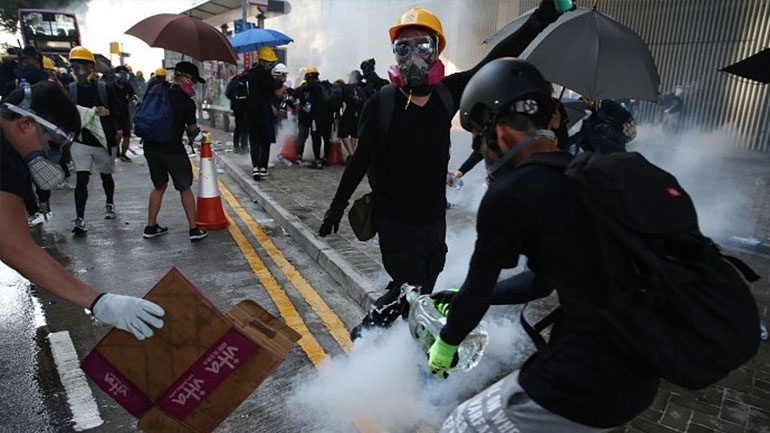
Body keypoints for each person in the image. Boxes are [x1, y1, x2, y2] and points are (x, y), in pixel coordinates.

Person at [428, 58, 658, 433]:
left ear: (498, 135)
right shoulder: (585, 171)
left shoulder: (512, 192)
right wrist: (462, 297)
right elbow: (539, 282)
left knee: (460, 426)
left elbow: (479, 288)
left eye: (478, 139)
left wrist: (448, 342)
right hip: (641, 373)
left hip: (585, 376)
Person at [319, 2, 567, 339]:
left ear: (436, 51)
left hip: (433, 215)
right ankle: (368, 333)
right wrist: (338, 204)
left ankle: (398, 332)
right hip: (394, 217)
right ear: (394, 54)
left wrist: (541, 19)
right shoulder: (382, 102)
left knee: (427, 279)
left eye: (423, 46)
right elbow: (360, 159)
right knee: (409, 285)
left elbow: (494, 61)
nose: (413, 57)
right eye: (403, 48)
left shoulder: (447, 94)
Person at [0, 81, 166, 341]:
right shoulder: (5, 159)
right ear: (25, 124)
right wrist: (98, 301)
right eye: (52, 144)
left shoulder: (9, 150)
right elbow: (14, 247)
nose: (54, 157)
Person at [141, 61, 207, 242]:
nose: (192, 85)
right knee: (185, 187)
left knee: (159, 186)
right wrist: (201, 137)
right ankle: (194, 229)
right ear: (184, 77)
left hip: (150, 147)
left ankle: (151, 226)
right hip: (172, 149)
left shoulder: (157, 90)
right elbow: (193, 132)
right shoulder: (186, 101)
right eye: (192, 81)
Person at [66, 46, 122, 233]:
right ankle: (79, 218)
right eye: (76, 65)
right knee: (81, 179)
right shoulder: (69, 89)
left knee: (106, 175)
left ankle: (110, 203)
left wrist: (109, 114)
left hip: (103, 141)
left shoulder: (104, 88)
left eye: (84, 64)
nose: (80, 69)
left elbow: (119, 111)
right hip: (80, 141)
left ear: (92, 67)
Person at [245, 46, 279, 179]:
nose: (270, 64)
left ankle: (255, 167)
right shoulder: (263, 74)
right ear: (263, 60)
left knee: (254, 141)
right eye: (269, 61)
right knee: (265, 140)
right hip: (263, 112)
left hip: (251, 112)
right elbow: (272, 86)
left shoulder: (250, 73)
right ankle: (263, 166)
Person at [292, 68, 335, 167]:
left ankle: (316, 159)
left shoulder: (311, 86)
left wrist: (292, 95)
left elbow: (298, 93)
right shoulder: (324, 86)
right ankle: (325, 158)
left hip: (315, 117)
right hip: (327, 117)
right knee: (326, 138)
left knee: (313, 137)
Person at [338, 70, 367, 158]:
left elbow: (342, 100)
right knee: (354, 133)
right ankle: (353, 153)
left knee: (343, 132)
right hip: (359, 113)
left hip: (349, 112)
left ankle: (351, 154)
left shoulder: (346, 87)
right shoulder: (362, 88)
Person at [111, 65, 137, 162]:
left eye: (124, 74)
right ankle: (115, 149)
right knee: (118, 133)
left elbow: (132, 96)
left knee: (127, 136)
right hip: (114, 114)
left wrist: (135, 101)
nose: (123, 77)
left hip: (125, 113)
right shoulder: (111, 87)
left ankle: (123, 154)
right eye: (121, 74)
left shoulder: (128, 86)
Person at [225, 70, 249, 154]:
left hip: (237, 107)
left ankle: (237, 146)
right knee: (244, 127)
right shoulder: (245, 81)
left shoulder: (235, 80)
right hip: (244, 106)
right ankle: (243, 146)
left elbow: (227, 93)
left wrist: (234, 100)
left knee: (239, 126)